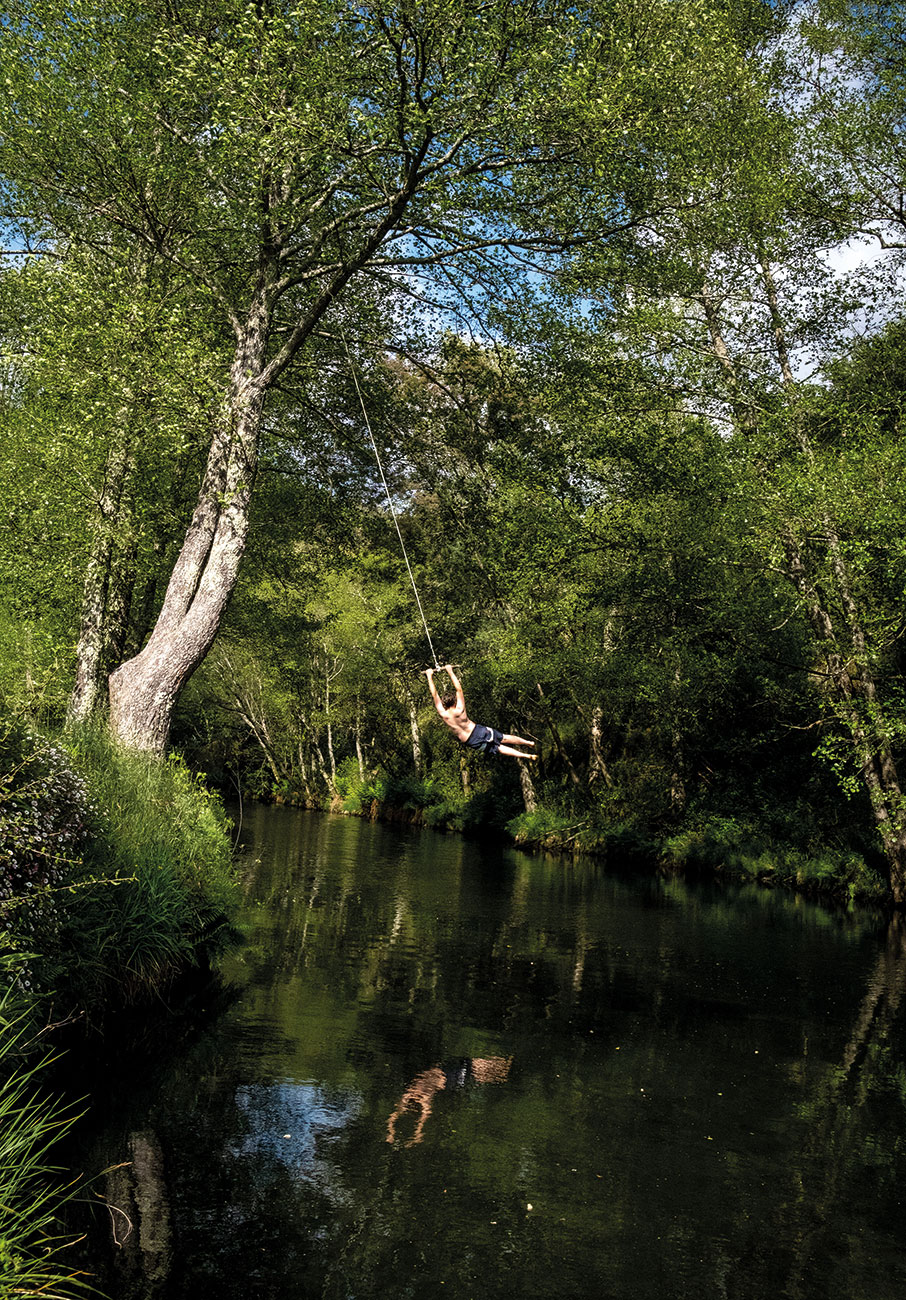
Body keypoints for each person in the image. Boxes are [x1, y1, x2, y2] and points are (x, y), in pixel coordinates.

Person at [423, 664, 537, 760]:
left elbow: (434, 695)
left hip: (469, 741)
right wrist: (450, 671)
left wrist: (429, 676)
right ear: (454, 701)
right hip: (478, 731)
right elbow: (459, 689)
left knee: (498, 749)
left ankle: (526, 755)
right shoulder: (459, 709)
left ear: (444, 705)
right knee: (504, 738)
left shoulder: (444, 714)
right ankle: (528, 743)